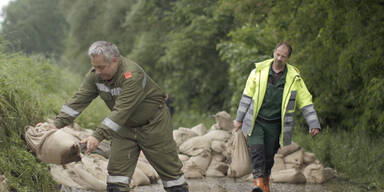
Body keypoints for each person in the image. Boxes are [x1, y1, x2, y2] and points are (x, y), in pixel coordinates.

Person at [52, 41, 188, 192]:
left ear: (115, 60)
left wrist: (97, 136)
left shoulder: (132, 75)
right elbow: (78, 100)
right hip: (124, 128)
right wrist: (55, 125)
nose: (97, 71)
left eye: (101, 67)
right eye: (94, 66)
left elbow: (122, 111)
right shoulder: (95, 76)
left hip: (153, 125)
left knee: (172, 176)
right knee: (116, 178)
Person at [234, 42, 321, 192]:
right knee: (257, 152)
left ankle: (265, 184)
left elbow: (306, 101)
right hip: (256, 121)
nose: (279, 58)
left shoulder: (294, 78)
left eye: (283, 56)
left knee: (268, 158)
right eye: (277, 54)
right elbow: (246, 96)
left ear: (288, 58)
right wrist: (239, 118)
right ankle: (258, 185)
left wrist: (313, 123)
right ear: (274, 52)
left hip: (276, 125)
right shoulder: (258, 72)